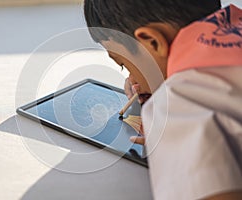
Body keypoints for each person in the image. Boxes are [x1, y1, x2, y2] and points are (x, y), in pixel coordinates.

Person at [84, 0, 242, 199]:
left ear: (152, 41)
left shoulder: (179, 107)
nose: (131, 80)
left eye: (124, 64)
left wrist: (175, 140)